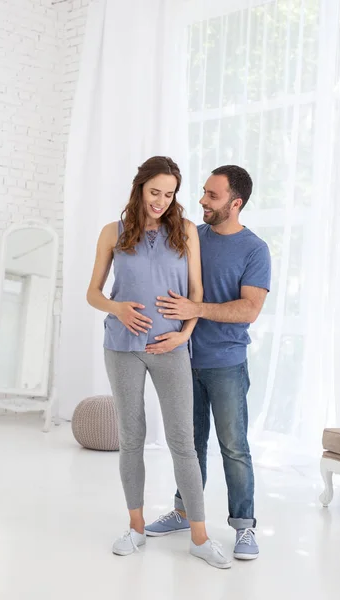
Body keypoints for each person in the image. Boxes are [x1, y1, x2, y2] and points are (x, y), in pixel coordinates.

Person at [86, 156, 231, 568]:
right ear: (139, 188)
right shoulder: (111, 233)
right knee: (132, 437)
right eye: (155, 193)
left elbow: (196, 292)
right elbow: (93, 293)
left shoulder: (185, 231)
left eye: (169, 195)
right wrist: (116, 309)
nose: (161, 202)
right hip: (122, 346)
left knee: (182, 442)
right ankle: (135, 528)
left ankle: (200, 537)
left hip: (170, 347)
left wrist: (184, 334)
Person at [145, 165, 271, 561]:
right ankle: (184, 511)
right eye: (202, 192)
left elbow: (250, 309)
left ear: (236, 203)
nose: (202, 200)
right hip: (182, 359)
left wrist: (195, 308)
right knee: (188, 445)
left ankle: (245, 527)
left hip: (226, 363)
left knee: (233, 447)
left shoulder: (254, 249)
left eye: (212, 196)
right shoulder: (191, 236)